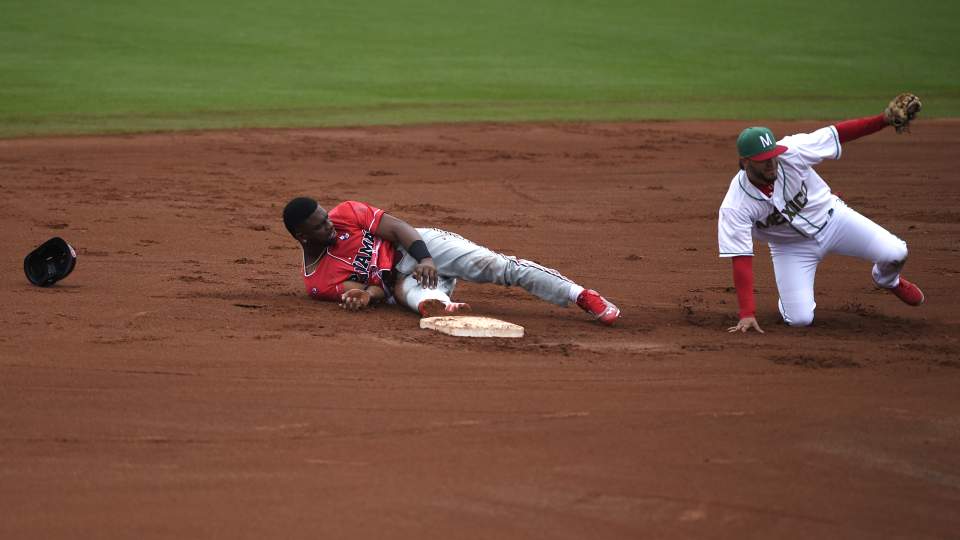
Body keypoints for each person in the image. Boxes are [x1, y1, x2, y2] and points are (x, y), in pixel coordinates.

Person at [718, 93, 925, 333]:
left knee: (896, 252)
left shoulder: (792, 151)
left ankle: (888, 280)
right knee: (800, 320)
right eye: (763, 160)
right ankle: (790, 301)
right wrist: (747, 313)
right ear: (745, 163)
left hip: (835, 221)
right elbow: (741, 258)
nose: (771, 163)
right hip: (791, 248)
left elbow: (838, 134)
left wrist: (883, 119)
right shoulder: (736, 204)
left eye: (772, 156)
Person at [281, 197, 621, 325]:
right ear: (302, 236)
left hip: (422, 247)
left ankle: (580, 295)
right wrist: (364, 298)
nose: (330, 225)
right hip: (401, 282)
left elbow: (399, 228)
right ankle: (446, 306)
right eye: (320, 225)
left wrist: (425, 258)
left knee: (498, 267)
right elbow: (373, 290)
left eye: (326, 217)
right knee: (419, 300)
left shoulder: (346, 213)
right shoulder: (318, 281)